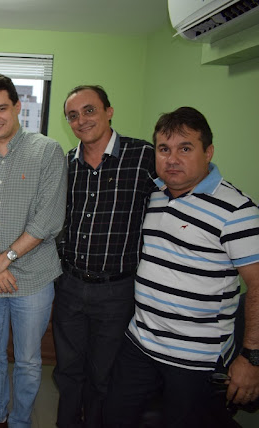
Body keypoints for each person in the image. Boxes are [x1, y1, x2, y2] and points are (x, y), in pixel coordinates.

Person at [103, 107, 259, 428]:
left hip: (196, 360)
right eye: (164, 149)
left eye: (185, 148)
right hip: (140, 343)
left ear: (208, 152)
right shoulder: (155, 196)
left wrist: (251, 358)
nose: (172, 159)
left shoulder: (237, 211)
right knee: (114, 417)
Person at [0, 74, 67, 428]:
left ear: (18, 107)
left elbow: (49, 218)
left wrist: (3, 259)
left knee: (27, 361)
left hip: (34, 278)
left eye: (1, 108)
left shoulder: (47, 151)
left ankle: (20, 422)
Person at [53, 85, 157, 427]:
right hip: (70, 285)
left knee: (104, 374)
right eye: (73, 115)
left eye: (89, 110)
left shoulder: (143, 157)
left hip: (117, 290)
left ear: (109, 112)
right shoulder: (67, 164)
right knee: (68, 371)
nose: (81, 120)